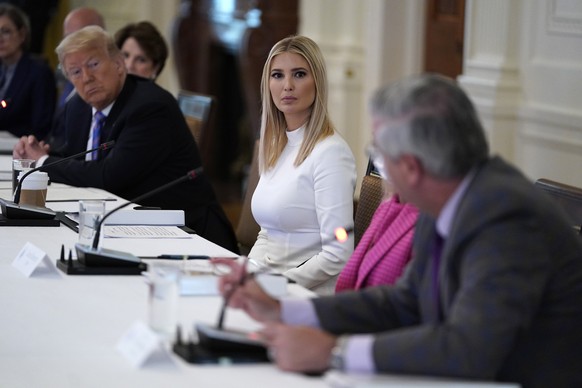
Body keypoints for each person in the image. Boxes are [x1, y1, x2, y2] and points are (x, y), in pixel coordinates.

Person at [215, 74, 582, 387]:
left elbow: (470, 348)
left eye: (379, 150)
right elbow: (405, 302)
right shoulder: (447, 198)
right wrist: (285, 309)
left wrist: (334, 351)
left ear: (410, 167)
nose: (378, 163)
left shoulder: (506, 219)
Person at [13, 25, 239, 253]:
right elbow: (75, 156)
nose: (87, 78)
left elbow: (108, 176)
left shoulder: (150, 107)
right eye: (76, 71)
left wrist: (43, 163)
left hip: (187, 236)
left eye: (93, 64)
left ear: (119, 64)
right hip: (122, 228)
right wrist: (39, 154)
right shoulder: (78, 107)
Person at [248, 35, 356, 294]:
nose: (287, 86)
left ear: (317, 82)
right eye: (277, 75)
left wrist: (274, 287)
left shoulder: (330, 153)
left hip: (306, 295)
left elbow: (338, 252)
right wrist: (248, 272)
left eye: (298, 74)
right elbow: (267, 232)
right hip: (269, 287)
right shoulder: (277, 146)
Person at [0, 3, 56, 139]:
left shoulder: (39, 73)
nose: (0, 39)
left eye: (5, 31)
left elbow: (41, 128)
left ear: (22, 35)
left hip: (21, 151)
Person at [57, 7, 105, 107]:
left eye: (77, 38)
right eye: (67, 38)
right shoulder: (63, 74)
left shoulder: (107, 80)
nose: (70, 46)